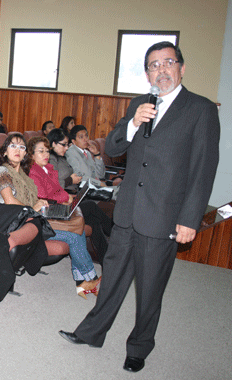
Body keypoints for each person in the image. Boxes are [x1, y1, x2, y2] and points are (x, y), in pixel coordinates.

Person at [59, 42, 220, 373]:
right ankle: (92, 333)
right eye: (153, 65)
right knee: (113, 277)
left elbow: (204, 169)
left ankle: (140, 347)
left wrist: (190, 218)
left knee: (150, 289)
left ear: (181, 68)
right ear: (147, 73)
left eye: (167, 63)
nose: (160, 70)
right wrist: (133, 124)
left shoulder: (200, 109)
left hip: (164, 217)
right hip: (128, 212)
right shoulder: (139, 104)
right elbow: (114, 148)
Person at [0, 133, 100, 298]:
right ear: (4, 152)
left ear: (25, 153)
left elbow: (35, 196)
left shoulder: (21, 172)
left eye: (21, 147)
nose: (18, 150)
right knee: (73, 235)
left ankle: (82, 282)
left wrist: (41, 203)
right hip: (16, 224)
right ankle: (89, 280)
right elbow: (9, 201)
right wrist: (33, 207)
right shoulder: (3, 171)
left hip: (32, 218)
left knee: (78, 231)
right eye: (13, 146)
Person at [28, 136, 112, 264]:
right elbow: (44, 197)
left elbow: (58, 190)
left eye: (47, 151)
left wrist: (68, 197)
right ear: (31, 155)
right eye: (41, 151)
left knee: (93, 220)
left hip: (61, 204)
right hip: (51, 211)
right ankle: (117, 236)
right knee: (90, 206)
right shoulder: (34, 173)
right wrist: (65, 198)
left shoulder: (48, 169)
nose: (46, 154)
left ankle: (107, 260)